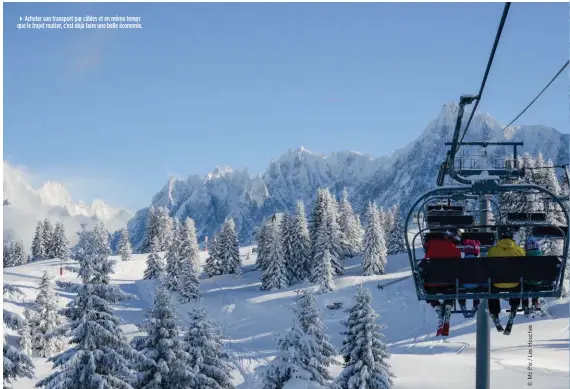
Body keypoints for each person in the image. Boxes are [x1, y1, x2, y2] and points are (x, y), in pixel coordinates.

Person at [486, 226, 526, 322]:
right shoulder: (519, 250)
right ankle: (514, 306)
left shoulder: (492, 251)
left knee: (491, 288)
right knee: (518, 284)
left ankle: (494, 311)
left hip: (497, 283)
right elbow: (524, 266)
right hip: (514, 283)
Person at [423, 230, 462, 317]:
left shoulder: (431, 246)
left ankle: (436, 305)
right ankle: (448, 303)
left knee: (427, 290)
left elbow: (425, 263)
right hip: (449, 283)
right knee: (452, 287)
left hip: (430, 284)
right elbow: (458, 266)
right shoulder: (455, 249)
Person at [457, 239, 481, 315]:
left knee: (461, 288)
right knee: (477, 288)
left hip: (463, 285)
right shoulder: (481, 262)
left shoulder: (460, 262)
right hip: (477, 285)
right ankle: (476, 302)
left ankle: (462, 303)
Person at [521, 236, 542, 315]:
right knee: (536, 286)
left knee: (525, 288)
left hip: (527, 282)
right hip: (538, 282)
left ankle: (525, 305)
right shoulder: (541, 256)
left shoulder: (525, 257)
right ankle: (535, 304)